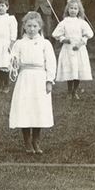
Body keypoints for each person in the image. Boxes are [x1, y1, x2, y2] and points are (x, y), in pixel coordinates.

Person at [9, 12, 56, 155]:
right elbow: (13, 62)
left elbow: (51, 62)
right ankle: (27, 140)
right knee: (25, 108)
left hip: (40, 78)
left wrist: (49, 81)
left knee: (38, 109)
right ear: (23, 27)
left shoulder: (45, 43)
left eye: (34, 26)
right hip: (25, 78)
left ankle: (36, 139)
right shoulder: (19, 43)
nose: (31, 29)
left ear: (40, 27)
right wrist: (13, 62)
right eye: (28, 26)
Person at [52, 0, 94, 100]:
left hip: (79, 48)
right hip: (68, 48)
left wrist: (81, 43)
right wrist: (63, 39)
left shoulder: (82, 22)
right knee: (70, 68)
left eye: (75, 8)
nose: (73, 10)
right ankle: (69, 91)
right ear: (67, 9)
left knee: (77, 70)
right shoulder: (64, 22)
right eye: (71, 8)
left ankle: (75, 91)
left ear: (79, 10)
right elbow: (56, 34)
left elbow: (88, 34)